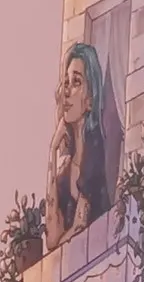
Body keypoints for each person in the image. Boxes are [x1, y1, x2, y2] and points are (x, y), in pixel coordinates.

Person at [43, 40, 112, 252]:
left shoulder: (95, 155)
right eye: (66, 82)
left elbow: (80, 228)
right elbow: (51, 239)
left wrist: (60, 243)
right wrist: (52, 152)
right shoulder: (65, 170)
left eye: (76, 82)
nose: (66, 91)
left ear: (90, 99)